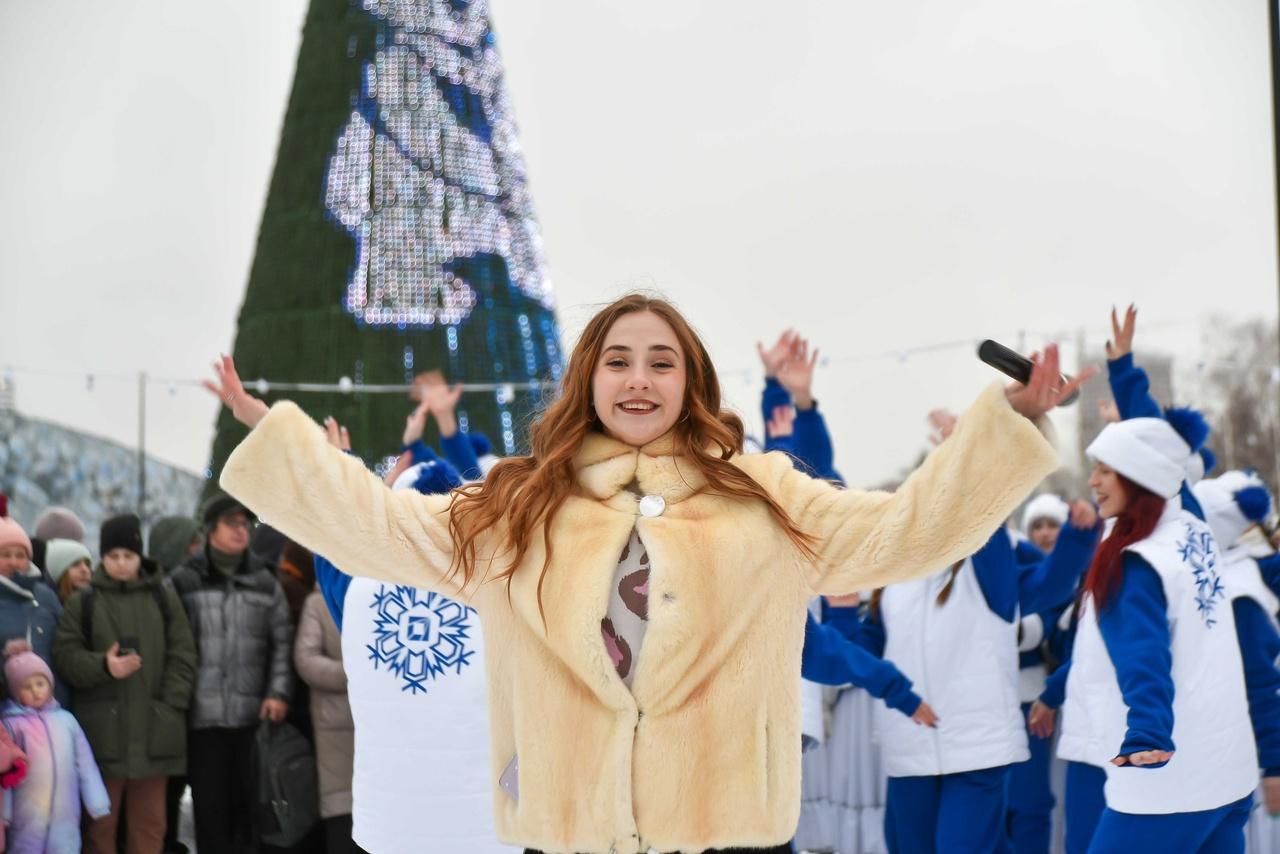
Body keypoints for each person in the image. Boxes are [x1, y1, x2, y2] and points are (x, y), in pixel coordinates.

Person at [207, 293, 1077, 853]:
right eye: (618, 360)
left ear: (690, 380)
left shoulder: (762, 497)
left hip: (726, 833)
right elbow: (380, 529)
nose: (638, 379)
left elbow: (905, 535)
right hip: (569, 832)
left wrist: (1004, 423)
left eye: (661, 361)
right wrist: (278, 445)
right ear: (588, 379)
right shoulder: (518, 508)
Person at [1040, 416, 1256, 853]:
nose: (1093, 481)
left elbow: (1144, 660)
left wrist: (1147, 735)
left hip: (1166, 786)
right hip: (1227, 777)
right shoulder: (1195, 533)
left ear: (1139, 475)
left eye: (1105, 470)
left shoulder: (1138, 562)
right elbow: (1174, 461)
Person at [311, 417, 498, 853]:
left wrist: (340, 469)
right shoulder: (496, 587)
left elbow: (330, 543)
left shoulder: (358, 590)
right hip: (482, 825)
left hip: (389, 827)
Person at [52, 514, 197, 854]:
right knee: (99, 829)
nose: (120, 564)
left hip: (154, 732)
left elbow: (184, 652)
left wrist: (170, 704)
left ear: (139, 557)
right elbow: (67, 657)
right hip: (103, 737)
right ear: (102, 556)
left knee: (150, 829)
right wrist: (105, 665)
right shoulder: (83, 602)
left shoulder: (164, 597)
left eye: (128, 556)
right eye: (113, 556)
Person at [169, 493, 293, 853]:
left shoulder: (264, 581)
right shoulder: (184, 581)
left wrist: (278, 692)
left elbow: (282, 643)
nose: (242, 531)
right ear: (210, 530)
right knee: (210, 815)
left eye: (246, 524)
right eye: (233, 523)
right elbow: (172, 647)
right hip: (202, 720)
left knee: (249, 814)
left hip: (253, 718)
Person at [1191, 472, 1280, 818]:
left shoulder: (1237, 591)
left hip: (1248, 753)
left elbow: (1261, 681)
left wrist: (1274, 763)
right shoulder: (1228, 575)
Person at [1, 649, 111, 852]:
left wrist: (96, 801)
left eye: (40, 684)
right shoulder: (12, 725)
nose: (35, 691)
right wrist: (4, 813)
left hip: (65, 814)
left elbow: (86, 764)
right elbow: (7, 775)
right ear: (16, 693)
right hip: (26, 813)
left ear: (50, 685)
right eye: (27, 687)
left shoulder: (67, 721)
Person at [293, 584, 358, 854]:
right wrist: (354, 672)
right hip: (336, 725)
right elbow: (306, 660)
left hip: (379, 726)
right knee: (341, 816)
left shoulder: (384, 594)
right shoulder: (318, 603)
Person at [0, 518, 65, 704]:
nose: (13, 561)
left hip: (51, 706)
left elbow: (63, 647)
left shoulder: (46, 596)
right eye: (5, 554)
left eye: (20, 555)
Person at [44, 539, 93, 604]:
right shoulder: (46, 607)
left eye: (87, 564)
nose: (85, 570)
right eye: (75, 564)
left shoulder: (97, 604)